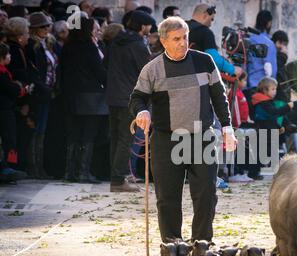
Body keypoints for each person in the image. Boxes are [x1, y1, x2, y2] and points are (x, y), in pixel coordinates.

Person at [129, 17, 236, 242]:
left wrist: (227, 126)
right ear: (164, 41)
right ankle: (172, 245)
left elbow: (219, 96)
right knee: (167, 198)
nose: (182, 43)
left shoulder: (205, 61)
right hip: (167, 140)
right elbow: (137, 98)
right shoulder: (153, 69)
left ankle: (201, 243)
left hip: (202, 137)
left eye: (185, 37)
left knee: (207, 194)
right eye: (176, 39)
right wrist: (142, 112)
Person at [105, 10, 151, 192]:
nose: (149, 29)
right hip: (129, 97)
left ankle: (116, 176)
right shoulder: (138, 45)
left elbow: (105, 65)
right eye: (148, 26)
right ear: (142, 27)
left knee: (116, 138)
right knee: (126, 138)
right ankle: (118, 180)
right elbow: (145, 72)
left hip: (113, 96)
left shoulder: (115, 42)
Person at [60, 17, 107, 183]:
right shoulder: (89, 47)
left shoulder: (67, 46)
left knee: (73, 133)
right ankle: (83, 172)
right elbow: (100, 72)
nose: (97, 31)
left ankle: (69, 172)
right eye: (94, 28)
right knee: (88, 135)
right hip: (90, 97)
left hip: (70, 95)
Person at [26, 12, 57, 179]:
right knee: (36, 130)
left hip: (47, 92)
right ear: (34, 29)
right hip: (39, 93)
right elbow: (34, 72)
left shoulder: (46, 44)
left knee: (41, 131)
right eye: (42, 27)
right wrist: (44, 88)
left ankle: (39, 167)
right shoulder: (33, 45)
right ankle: (34, 168)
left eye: (47, 26)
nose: (46, 29)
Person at [186, 4, 242, 77]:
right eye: (211, 19)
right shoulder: (205, 32)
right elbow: (214, 59)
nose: (211, 24)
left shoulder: (179, 27)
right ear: (205, 15)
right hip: (195, 80)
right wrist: (233, 69)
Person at [0, 42, 28, 169]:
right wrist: (20, 88)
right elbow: (12, 89)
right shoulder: (2, 73)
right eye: (8, 54)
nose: (10, 56)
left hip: (6, 109)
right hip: (5, 110)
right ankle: (10, 166)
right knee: (10, 140)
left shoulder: (5, 71)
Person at [246, 10, 277, 90]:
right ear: (269, 23)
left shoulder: (248, 39)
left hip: (247, 86)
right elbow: (271, 71)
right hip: (263, 88)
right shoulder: (269, 43)